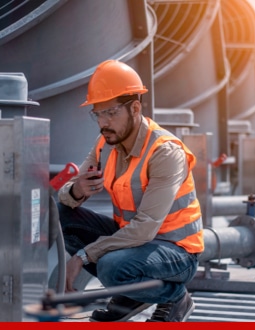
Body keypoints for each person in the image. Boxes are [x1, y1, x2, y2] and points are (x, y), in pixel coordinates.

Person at [57, 59, 204, 322]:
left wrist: (82, 256)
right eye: (97, 114)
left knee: (112, 266)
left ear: (135, 108)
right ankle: (132, 296)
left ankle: (175, 296)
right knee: (59, 216)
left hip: (176, 252)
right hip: (133, 243)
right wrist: (77, 191)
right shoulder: (106, 142)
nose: (103, 122)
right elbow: (66, 196)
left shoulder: (164, 152)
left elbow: (146, 228)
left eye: (111, 112)